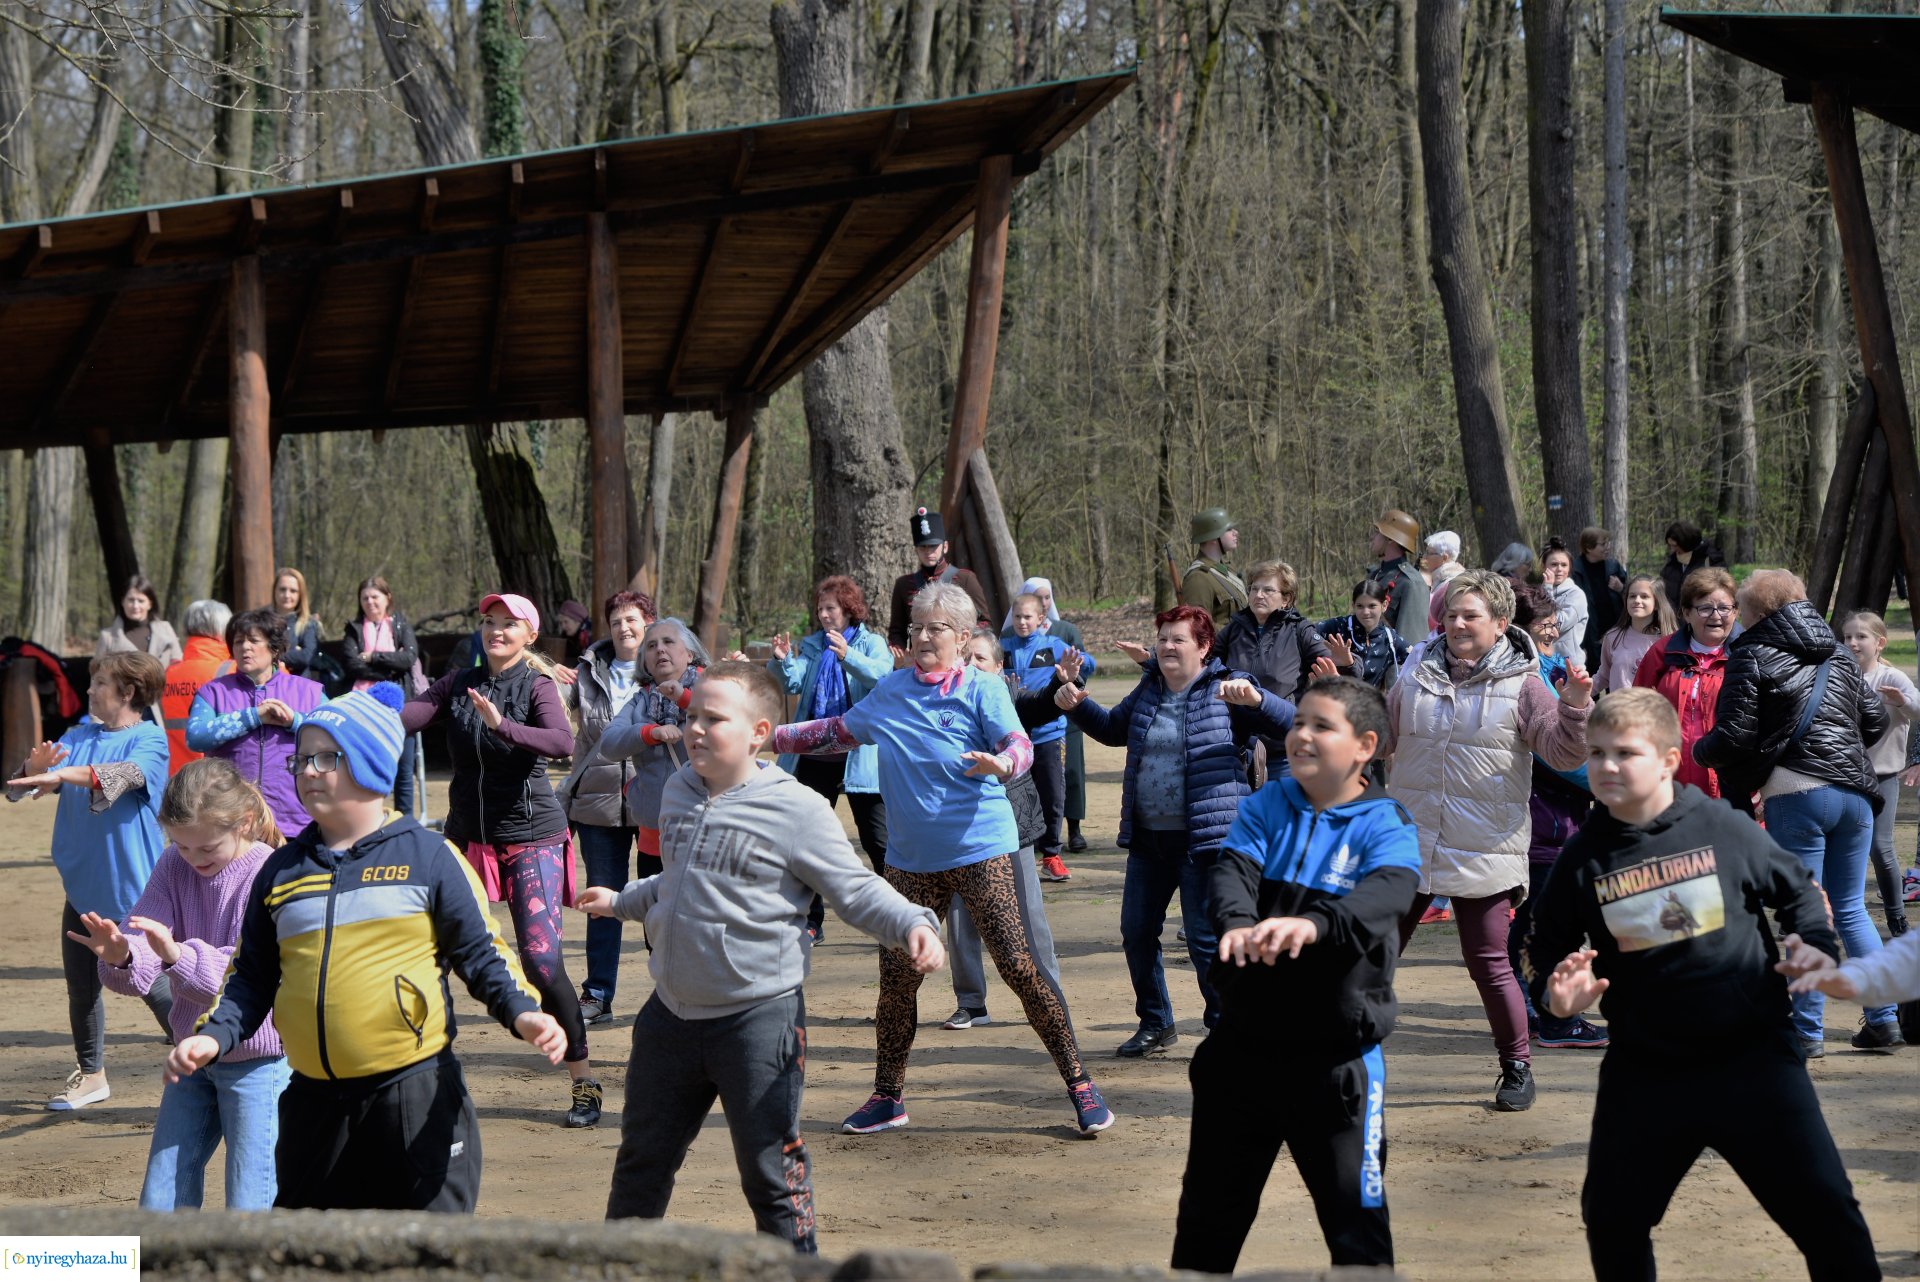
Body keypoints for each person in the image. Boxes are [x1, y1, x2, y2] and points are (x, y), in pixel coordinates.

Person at [580, 663, 945, 1252]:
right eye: (691, 716)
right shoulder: (677, 790)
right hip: (668, 1019)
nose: (695, 729)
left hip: (756, 1025)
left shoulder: (796, 809)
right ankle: (617, 1268)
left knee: (772, 1176)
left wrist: (912, 923)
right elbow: (678, 882)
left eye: (714, 719)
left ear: (758, 732)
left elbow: (854, 888)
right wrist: (622, 900)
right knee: (640, 1167)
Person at [1526, 689, 1881, 1282]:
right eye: (1595, 753)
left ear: (1668, 759)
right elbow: (1545, 951)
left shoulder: (1722, 827)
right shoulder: (1583, 856)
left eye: (1624, 753)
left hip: (1755, 1062)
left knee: (1829, 1217)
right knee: (1612, 1219)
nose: (1605, 766)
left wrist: (1813, 948)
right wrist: (1555, 998)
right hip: (1647, 1071)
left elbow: (1797, 890)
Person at [169, 685, 565, 1212]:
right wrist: (214, 1037)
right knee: (308, 1257)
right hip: (312, 1104)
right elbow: (250, 975)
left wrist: (523, 1014)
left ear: (371, 763)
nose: (308, 770)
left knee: (427, 1258)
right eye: (301, 759)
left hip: (413, 1094)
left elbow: (482, 953)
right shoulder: (281, 871)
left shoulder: (429, 857)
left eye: (325, 757)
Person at [770, 581, 1114, 1137]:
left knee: (1020, 968)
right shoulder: (891, 691)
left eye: (936, 629)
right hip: (909, 862)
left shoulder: (982, 688)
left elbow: (1019, 745)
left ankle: (1080, 1083)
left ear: (962, 636)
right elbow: (834, 733)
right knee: (897, 979)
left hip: (982, 850)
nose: (924, 638)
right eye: (916, 629)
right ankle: (887, 1096)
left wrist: (1003, 765)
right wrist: (770, 736)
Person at [1170, 677, 1420, 1273]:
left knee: (1357, 1234)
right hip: (1242, 1054)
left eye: (1320, 726)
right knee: (1206, 1225)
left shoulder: (1387, 824)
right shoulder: (1265, 805)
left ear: (1364, 746)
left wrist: (1312, 927)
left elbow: (1385, 897)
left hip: (1337, 1067)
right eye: (1298, 721)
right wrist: (1234, 923)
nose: (1301, 735)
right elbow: (1232, 874)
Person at [1387, 571, 1592, 1112]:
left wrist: (1573, 707)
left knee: (1488, 962)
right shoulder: (1414, 669)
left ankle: (1516, 1066)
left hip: (1484, 846)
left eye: (1470, 615)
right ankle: (1340, 1053)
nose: (1457, 623)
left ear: (1500, 624)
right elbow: (1380, 735)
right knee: (1373, 953)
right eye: (1452, 614)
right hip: (1409, 841)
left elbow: (1565, 754)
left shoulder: (1524, 682)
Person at [1058, 604, 1299, 1055]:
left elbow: (1293, 727)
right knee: (1136, 933)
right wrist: (1078, 703)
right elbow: (1113, 730)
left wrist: (1259, 700)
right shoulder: (1150, 686)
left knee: (1206, 943)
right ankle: (1156, 1023)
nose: (1167, 646)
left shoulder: (1228, 688)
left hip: (1206, 841)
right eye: (1163, 638)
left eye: (1178, 639)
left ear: (1204, 647)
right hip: (1149, 840)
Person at [402, 591, 602, 1123]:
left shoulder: (536, 686)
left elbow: (562, 743)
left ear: (529, 635)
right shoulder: (459, 683)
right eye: (489, 622)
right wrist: (343, 721)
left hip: (532, 836)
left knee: (540, 962)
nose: (496, 631)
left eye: (508, 624)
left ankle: (583, 1081)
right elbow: (406, 719)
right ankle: (417, 1072)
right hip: (467, 838)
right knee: (427, 951)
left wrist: (501, 727)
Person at [1691, 570, 1901, 1056]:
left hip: (1797, 792)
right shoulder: (1839, 655)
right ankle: (1883, 1018)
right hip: (1856, 794)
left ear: (1760, 613)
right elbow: (1873, 720)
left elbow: (1734, 736)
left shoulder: (1751, 655)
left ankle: (1806, 1031)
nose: (1737, 619)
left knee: (1805, 912)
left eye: (1741, 610)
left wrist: (1697, 751)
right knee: (1850, 908)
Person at [65, 759, 288, 1210]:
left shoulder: (272, 872)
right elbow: (145, 939)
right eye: (181, 846)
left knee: (251, 1203)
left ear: (244, 823)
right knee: (161, 1197)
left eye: (206, 848)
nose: (194, 859)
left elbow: (252, 976)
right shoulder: (173, 865)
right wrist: (123, 955)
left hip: (258, 1062)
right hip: (190, 1056)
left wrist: (176, 955)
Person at [8, 651, 174, 1111]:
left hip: (131, 889)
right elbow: (18, 791)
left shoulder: (150, 741)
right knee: (81, 988)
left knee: (152, 985)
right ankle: (92, 1075)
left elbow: (119, 777)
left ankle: (213, 1058)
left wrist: (60, 773)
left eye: (100, 683)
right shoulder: (79, 734)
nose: (89, 690)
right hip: (80, 886)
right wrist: (29, 771)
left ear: (127, 693)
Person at [942, 629, 1072, 1031]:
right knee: (961, 918)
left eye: (980, 659)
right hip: (961, 830)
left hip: (1011, 826)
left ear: (1000, 668)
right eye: (966, 658)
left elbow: (1042, 707)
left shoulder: (1010, 700)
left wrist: (1061, 683)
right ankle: (971, 1004)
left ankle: (1051, 993)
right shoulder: (947, 703)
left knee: (1029, 916)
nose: (971, 665)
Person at [1507, 585, 1606, 1049]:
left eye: (1553, 621)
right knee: (1539, 926)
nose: (1552, 629)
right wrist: (1609, 782)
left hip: (1562, 822)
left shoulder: (1552, 668)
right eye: (1541, 623)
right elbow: (1561, 757)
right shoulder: (1528, 677)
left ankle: (1538, 1010)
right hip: (1539, 822)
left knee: (1539, 922)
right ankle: (1549, 1017)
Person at [769, 576, 892, 938]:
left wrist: (848, 655)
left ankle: (892, 918)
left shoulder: (871, 643)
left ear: (849, 610)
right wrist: (782, 662)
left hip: (861, 757)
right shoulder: (811, 646)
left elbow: (882, 677)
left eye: (831, 609)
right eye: (820, 609)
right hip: (814, 757)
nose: (823, 615)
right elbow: (794, 684)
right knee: (805, 840)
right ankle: (810, 919)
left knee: (878, 842)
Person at [558, 589, 656, 1026]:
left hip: (654, 803)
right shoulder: (585, 672)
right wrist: (545, 681)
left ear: (649, 623)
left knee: (661, 900)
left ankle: (673, 993)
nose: (624, 627)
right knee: (602, 901)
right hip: (597, 804)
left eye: (632, 619)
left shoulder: (667, 669)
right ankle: (597, 994)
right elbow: (555, 714)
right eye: (616, 620)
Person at [186, 606, 326, 836]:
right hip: (231, 820)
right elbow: (196, 736)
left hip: (295, 822)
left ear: (274, 647)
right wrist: (253, 716)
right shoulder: (213, 692)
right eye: (238, 641)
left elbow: (337, 735)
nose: (245, 647)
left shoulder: (309, 691)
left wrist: (294, 721)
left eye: (253, 640)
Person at [599, 617, 710, 901]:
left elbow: (724, 722)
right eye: (651, 646)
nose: (660, 650)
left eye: (668, 642)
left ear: (690, 653)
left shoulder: (714, 689)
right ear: (644, 662)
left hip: (706, 833)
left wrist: (684, 698)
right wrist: (650, 732)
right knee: (656, 930)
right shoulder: (640, 702)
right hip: (653, 838)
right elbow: (609, 744)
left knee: (701, 926)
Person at [1002, 591, 1096, 881]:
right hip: (1011, 736)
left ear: (1041, 619)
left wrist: (1078, 666)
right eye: (1017, 616)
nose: (1021, 622)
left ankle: (1052, 855)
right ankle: (1015, 855)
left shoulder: (1053, 645)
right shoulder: (1001, 646)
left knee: (1052, 793)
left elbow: (1086, 664)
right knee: (1013, 796)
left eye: (1027, 616)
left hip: (1048, 734)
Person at [1632, 566, 1736, 802]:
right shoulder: (1663, 652)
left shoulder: (1746, 657)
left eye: (1724, 608)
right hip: (1669, 780)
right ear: (1686, 613)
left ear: (1736, 612)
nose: (1716, 615)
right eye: (1705, 608)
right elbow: (1636, 710)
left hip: (1729, 784)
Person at [1842, 610, 1914, 941]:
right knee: (1843, 846)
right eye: (1847, 637)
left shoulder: (1893, 678)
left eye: (1861, 637)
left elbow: (1917, 708)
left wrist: (1903, 703)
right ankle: (1846, 911)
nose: (1853, 643)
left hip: (1883, 776)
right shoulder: (1839, 676)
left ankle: (1896, 917)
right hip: (1845, 775)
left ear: (1880, 643)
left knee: (1880, 848)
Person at [341, 577, 422, 817]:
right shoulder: (353, 629)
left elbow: (408, 659)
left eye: (375, 596)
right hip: (362, 707)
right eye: (365, 597)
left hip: (401, 705)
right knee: (365, 766)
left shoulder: (401, 625)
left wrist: (373, 657)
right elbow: (352, 665)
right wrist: (390, 663)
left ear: (387, 598)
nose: (370, 602)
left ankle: (405, 822)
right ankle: (368, 820)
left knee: (404, 770)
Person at [1215, 560, 1332, 703]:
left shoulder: (1299, 630)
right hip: (1235, 721)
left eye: (1268, 590)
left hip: (1282, 720)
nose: (1258, 595)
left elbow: (1336, 666)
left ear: (1286, 599)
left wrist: (1347, 664)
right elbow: (1206, 664)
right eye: (1254, 588)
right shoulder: (1234, 628)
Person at [886, 506, 992, 651]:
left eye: (933, 546)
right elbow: (896, 631)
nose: (928, 551)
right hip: (918, 656)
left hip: (958, 656)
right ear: (915, 549)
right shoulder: (903, 584)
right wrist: (902, 654)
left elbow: (984, 623)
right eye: (923, 547)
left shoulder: (965, 578)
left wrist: (963, 646)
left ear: (945, 546)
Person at [160, 600, 233, 775]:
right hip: (215, 776)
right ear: (222, 627)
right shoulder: (232, 670)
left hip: (176, 774)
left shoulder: (168, 673)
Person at [1318, 580, 1411, 692]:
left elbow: (1417, 658)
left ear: (1384, 605)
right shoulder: (1338, 626)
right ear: (1353, 606)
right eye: (1360, 606)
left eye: (1372, 606)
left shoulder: (1390, 639)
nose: (1366, 612)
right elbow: (1306, 633)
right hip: (1335, 701)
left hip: (1367, 705)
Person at [1595, 575, 1674, 695]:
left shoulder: (1668, 642)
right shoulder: (1612, 637)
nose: (1637, 600)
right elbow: (1603, 676)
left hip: (1650, 711)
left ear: (1657, 604)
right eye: (1632, 596)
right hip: (1617, 710)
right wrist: (1579, 692)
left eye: (1644, 596)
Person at [1570, 527, 1627, 673]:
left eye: (1607, 543)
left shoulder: (1613, 566)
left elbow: (1631, 591)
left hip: (1615, 631)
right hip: (1589, 634)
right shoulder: (1575, 571)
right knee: (1592, 676)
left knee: (1617, 675)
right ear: (1589, 548)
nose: (1607, 547)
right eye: (1603, 544)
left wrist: (1621, 587)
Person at [1181, 508, 1248, 629]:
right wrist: (1235, 635)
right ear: (1213, 537)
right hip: (1225, 646)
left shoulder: (1227, 568)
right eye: (1228, 529)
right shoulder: (1198, 578)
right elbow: (1198, 627)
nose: (1235, 532)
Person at [1368, 509, 1429, 642]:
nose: (1372, 537)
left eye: (1377, 532)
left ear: (1390, 538)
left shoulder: (1411, 583)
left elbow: (1410, 644)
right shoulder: (1374, 576)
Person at [96, 574, 182, 668]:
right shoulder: (107, 638)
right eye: (131, 600)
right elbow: (97, 677)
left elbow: (179, 668)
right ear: (122, 602)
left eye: (141, 601)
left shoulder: (166, 629)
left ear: (150, 604)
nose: (135, 606)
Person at [1658, 520, 1726, 620]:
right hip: (1675, 623)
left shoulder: (1711, 560)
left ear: (1686, 543)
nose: (1672, 549)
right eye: (1670, 545)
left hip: (1704, 620)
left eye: (1675, 546)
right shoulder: (1671, 563)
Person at [1538, 538, 1587, 666]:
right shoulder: (1538, 592)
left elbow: (1558, 624)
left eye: (1564, 565)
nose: (1559, 569)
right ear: (1544, 566)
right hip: (1543, 663)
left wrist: (1547, 590)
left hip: (1568, 666)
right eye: (1554, 564)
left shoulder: (1576, 595)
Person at [274, 568, 324, 680]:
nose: (287, 595)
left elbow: (306, 656)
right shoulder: (263, 622)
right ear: (274, 591)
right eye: (282, 589)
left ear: (300, 594)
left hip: (299, 686)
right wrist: (294, 652)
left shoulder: (309, 623)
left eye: (293, 591)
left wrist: (275, 657)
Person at [1421, 531, 1467, 636]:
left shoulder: (1452, 582)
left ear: (1444, 558)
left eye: (1429, 553)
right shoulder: (1438, 579)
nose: (1425, 557)